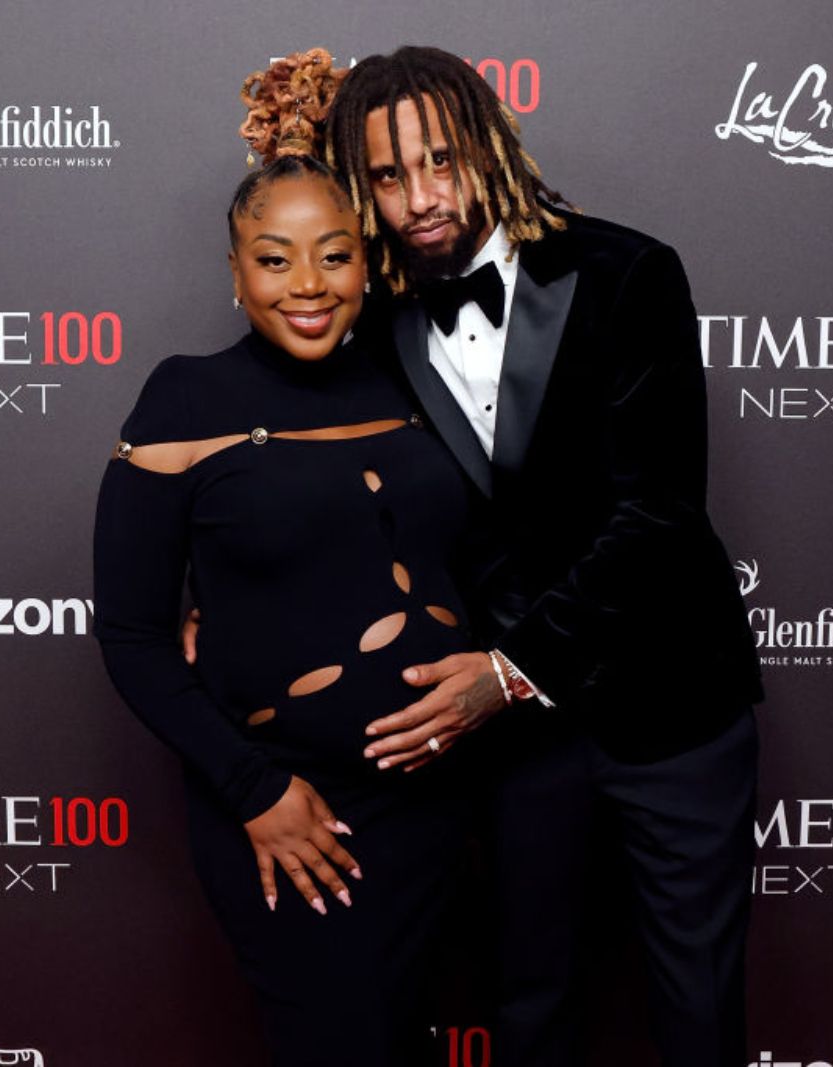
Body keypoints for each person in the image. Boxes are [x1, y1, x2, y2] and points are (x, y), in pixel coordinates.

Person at [320, 46, 766, 1067]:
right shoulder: (371, 321)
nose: (420, 199)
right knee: (526, 1002)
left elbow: (655, 514)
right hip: (516, 750)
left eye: (439, 161)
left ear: (487, 145)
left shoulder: (627, 271)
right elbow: (305, 480)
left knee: (698, 1007)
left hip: (672, 709)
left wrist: (508, 673)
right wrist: (216, 595)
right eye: (387, 177)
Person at [92, 54, 473, 1067]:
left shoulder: (420, 372)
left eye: (334, 254)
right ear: (233, 271)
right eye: (273, 258)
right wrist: (254, 787)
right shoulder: (183, 401)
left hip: (437, 807)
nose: (307, 286)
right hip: (284, 807)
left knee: (402, 1039)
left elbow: (488, 553)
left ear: (368, 260)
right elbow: (132, 634)